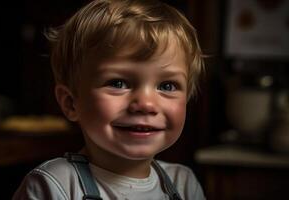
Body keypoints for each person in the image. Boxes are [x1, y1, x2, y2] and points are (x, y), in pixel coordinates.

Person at [13, 0, 205, 199]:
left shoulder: (184, 184)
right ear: (71, 103)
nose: (146, 104)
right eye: (118, 83)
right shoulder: (54, 186)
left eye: (167, 86)